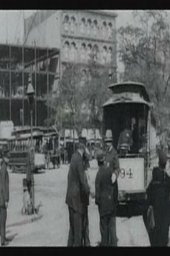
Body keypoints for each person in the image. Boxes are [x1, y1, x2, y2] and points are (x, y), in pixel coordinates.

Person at [65, 143, 90, 246]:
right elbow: (82, 181)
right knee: (78, 231)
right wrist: (89, 191)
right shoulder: (79, 160)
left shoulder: (73, 157)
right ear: (83, 149)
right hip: (77, 201)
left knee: (72, 229)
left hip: (70, 199)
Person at [144, 150, 170, 246]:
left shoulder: (153, 179)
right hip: (165, 218)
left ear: (158, 163)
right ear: (165, 164)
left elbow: (147, 193)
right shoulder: (167, 180)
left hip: (155, 218)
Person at [95, 150, 118, 246]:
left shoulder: (98, 174)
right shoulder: (110, 171)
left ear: (97, 161)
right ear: (104, 159)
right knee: (112, 227)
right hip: (111, 204)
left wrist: (98, 202)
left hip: (103, 206)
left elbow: (97, 193)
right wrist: (114, 200)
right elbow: (115, 187)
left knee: (104, 229)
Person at [104, 129, 120, 246]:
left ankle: (113, 243)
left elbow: (117, 168)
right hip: (105, 189)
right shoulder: (105, 153)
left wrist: (115, 174)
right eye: (106, 141)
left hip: (112, 189)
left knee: (112, 219)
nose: (107, 143)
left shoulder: (114, 153)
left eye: (109, 141)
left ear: (112, 141)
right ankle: (108, 242)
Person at [0, 148, 10, 246]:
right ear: (4, 157)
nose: (9, 159)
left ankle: (3, 236)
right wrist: (6, 199)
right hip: (2, 199)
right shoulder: (4, 168)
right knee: (3, 218)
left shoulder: (2, 166)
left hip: (0, 198)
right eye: (7, 157)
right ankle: (3, 241)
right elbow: (3, 185)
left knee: (2, 219)